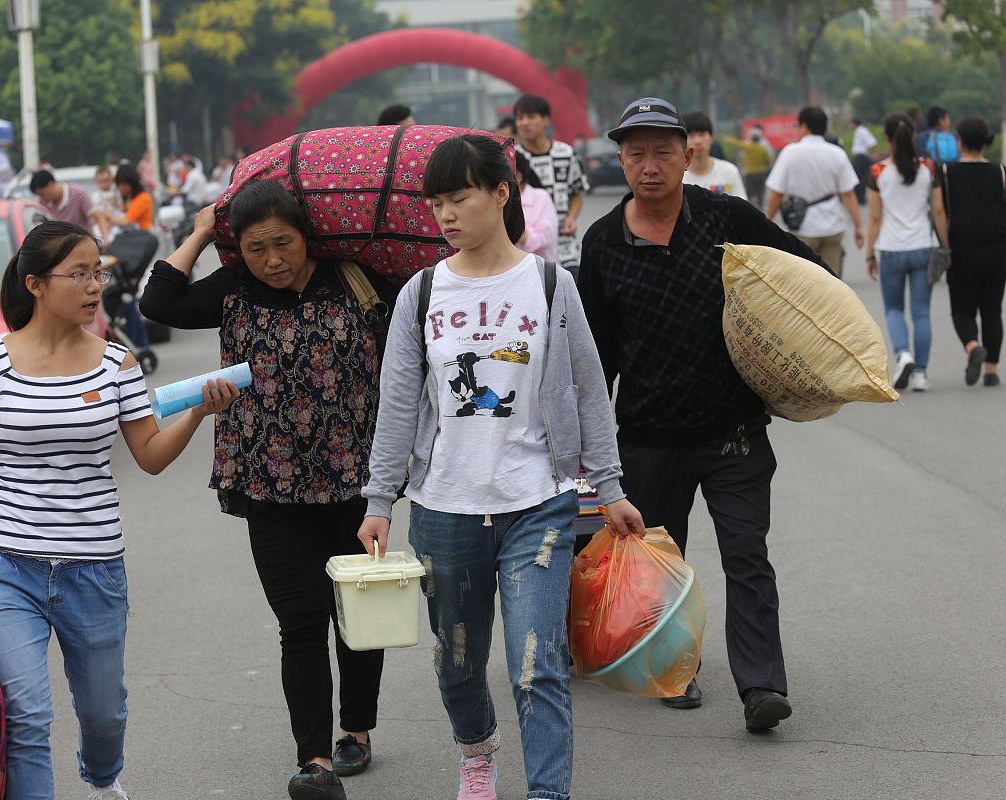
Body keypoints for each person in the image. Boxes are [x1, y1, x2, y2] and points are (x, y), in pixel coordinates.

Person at [358, 133, 644, 800]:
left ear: (501, 192)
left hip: (538, 502)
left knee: (537, 664)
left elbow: (587, 388)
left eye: (459, 198)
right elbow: (398, 401)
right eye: (436, 205)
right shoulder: (421, 294)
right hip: (444, 508)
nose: (447, 216)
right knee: (458, 664)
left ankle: (548, 793)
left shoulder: (549, 283)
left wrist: (609, 486)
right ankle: (477, 754)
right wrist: (379, 501)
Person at [0, 221, 237, 800]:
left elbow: (148, 455)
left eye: (98, 271)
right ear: (36, 284)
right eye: (79, 273)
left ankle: (102, 779)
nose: (95, 284)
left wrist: (198, 414)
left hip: (94, 567)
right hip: (8, 567)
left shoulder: (117, 363)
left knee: (104, 715)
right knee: (24, 716)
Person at [140, 181, 398, 800]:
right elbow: (159, 302)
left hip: (355, 485)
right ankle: (314, 759)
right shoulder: (232, 290)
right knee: (301, 622)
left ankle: (355, 728)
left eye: (283, 243)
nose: (272, 260)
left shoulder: (357, 281)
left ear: (309, 235)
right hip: (267, 485)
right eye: (256, 248)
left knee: (357, 616)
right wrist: (203, 233)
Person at [580, 96, 830, 732]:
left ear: (687, 155)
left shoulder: (727, 216)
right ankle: (676, 669)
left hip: (732, 432)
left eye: (663, 152)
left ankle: (761, 687)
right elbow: (596, 356)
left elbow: (805, 270)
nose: (650, 165)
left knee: (746, 554)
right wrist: (588, 454)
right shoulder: (604, 242)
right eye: (636, 154)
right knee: (663, 562)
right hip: (647, 436)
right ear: (621, 161)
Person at [865, 113, 947, 393]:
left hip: (890, 249)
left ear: (887, 139)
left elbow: (875, 218)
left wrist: (868, 253)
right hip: (923, 246)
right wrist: (944, 246)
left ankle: (904, 354)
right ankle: (921, 374)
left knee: (894, 308)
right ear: (913, 136)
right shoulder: (929, 168)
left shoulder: (878, 172)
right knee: (921, 313)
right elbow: (938, 211)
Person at [938, 115, 1006, 388]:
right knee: (992, 311)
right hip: (997, 251)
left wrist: (944, 246)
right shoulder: (1000, 172)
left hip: (961, 249)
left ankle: (972, 346)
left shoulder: (947, 173)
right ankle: (991, 369)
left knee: (962, 311)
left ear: (960, 142)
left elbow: (941, 212)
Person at [766, 106, 865, 278]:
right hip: (833, 227)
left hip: (803, 229)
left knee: (805, 285)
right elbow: (848, 194)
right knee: (831, 283)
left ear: (804, 126)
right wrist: (858, 226)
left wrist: (767, 224)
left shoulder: (790, 153)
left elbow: (776, 195)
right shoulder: (837, 154)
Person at [513, 94, 589, 279]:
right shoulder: (513, 158)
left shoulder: (567, 154)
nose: (524, 123)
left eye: (531, 117)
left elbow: (576, 192)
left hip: (565, 247)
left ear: (546, 120)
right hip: (529, 252)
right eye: (520, 117)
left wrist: (571, 218)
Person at [682, 111, 747, 200]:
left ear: (711, 137)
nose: (698, 141)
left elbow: (742, 208)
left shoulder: (729, 172)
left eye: (702, 135)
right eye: (691, 136)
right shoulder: (678, 176)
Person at [515, 148, 560, 262]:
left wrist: (512, 229)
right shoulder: (493, 201)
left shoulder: (541, 197)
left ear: (519, 176)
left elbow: (545, 238)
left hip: (539, 271)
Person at [93, 163, 154, 245]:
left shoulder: (143, 198)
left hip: (140, 240)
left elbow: (125, 222)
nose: (121, 188)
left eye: (124, 184)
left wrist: (107, 214)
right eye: (119, 185)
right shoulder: (124, 197)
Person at [30, 169, 96, 229]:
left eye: (42, 194)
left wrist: (105, 239)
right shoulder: (43, 204)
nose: (42, 199)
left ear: (51, 184)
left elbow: (97, 216)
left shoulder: (77, 194)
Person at [724, 127, 773, 208]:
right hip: (761, 173)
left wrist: (728, 139)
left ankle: (750, 208)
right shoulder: (763, 149)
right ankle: (760, 209)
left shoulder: (747, 147)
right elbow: (768, 160)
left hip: (750, 174)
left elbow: (737, 143)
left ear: (751, 138)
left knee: (749, 193)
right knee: (760, 192)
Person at [850, 117, 878, 205]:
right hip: (859, 157)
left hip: (861, 157)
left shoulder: (862, 131)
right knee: (860, 177)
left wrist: (875, 154)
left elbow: (872, 142)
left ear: (855, 123)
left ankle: (860, 198)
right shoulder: (858, 131)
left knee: (858, 177)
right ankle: (860, 198)